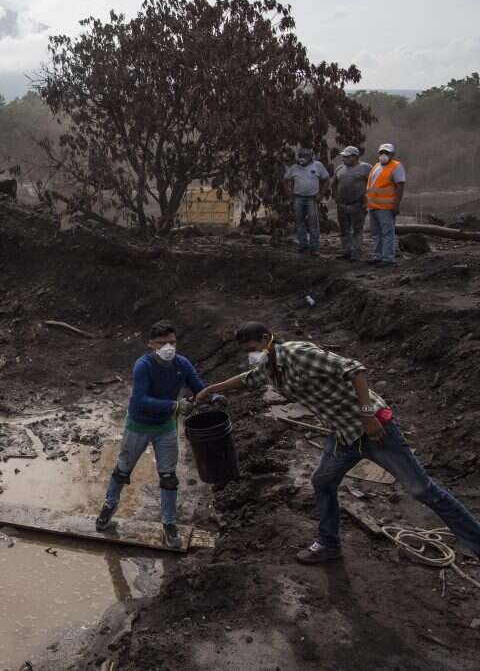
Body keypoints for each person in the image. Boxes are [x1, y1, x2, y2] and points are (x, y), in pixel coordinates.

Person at [196, 322, 480, 564]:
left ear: (266, 340)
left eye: (252, 349)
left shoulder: (298, 354)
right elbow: (248, 379)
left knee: (422, 490)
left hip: (375, 430)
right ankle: (329, 544)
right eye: (246, 352)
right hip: (344, 435)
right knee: (322, 482)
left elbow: (355, 369)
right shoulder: (271, 368)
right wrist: (211, 388)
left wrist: (368, 415)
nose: (251, 355)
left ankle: (476, 542)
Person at [95, 320, 211, 549]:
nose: (168, 347)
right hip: (138, 426)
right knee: (123, 469)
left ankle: (169, 523)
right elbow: (141, 400)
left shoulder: (182, 364)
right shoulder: (143, 365)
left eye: (172, 342)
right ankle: (109, 506)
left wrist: (213, 396)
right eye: (162, 343)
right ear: (151, 344)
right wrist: (175, 406)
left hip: (165, 428)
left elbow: (198, 386)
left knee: (168, 478)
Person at [284, 148, 330, 255]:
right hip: (298, 198)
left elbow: (326, 180)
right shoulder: (295, 167)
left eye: (305, 156)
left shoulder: (317, 165)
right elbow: (285, 180)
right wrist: (289, 194)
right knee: (299, 223)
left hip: (312, 198)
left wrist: (321, 194)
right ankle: (303, 246)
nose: (302, 159)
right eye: (300, 156)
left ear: (311, 157)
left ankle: (314, 248)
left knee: (313, 224)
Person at [367, 143, 407, 267]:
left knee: (387, 233)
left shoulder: (396, 166)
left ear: (392, 154)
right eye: (381, 152)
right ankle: (378, 256)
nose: (383, 155)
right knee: (376, 234)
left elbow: (400, 186)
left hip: (386, 207)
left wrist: (396, 204)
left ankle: (388, 258)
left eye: (387, 152)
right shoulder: (376, 166)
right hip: (373, 206)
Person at [332, 146, 372, 261]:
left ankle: (357, 254)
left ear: (355, 157)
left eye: (346, 156)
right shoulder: (340, 168)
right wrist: (335, 197)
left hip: (358, 204)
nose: (343, 158)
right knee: (344, 230)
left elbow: (373, 184)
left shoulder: (366, 168)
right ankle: (346, 252)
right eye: (343, 156)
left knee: (357, 231)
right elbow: (334, 183)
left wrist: (367, 200)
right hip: (342, 205)